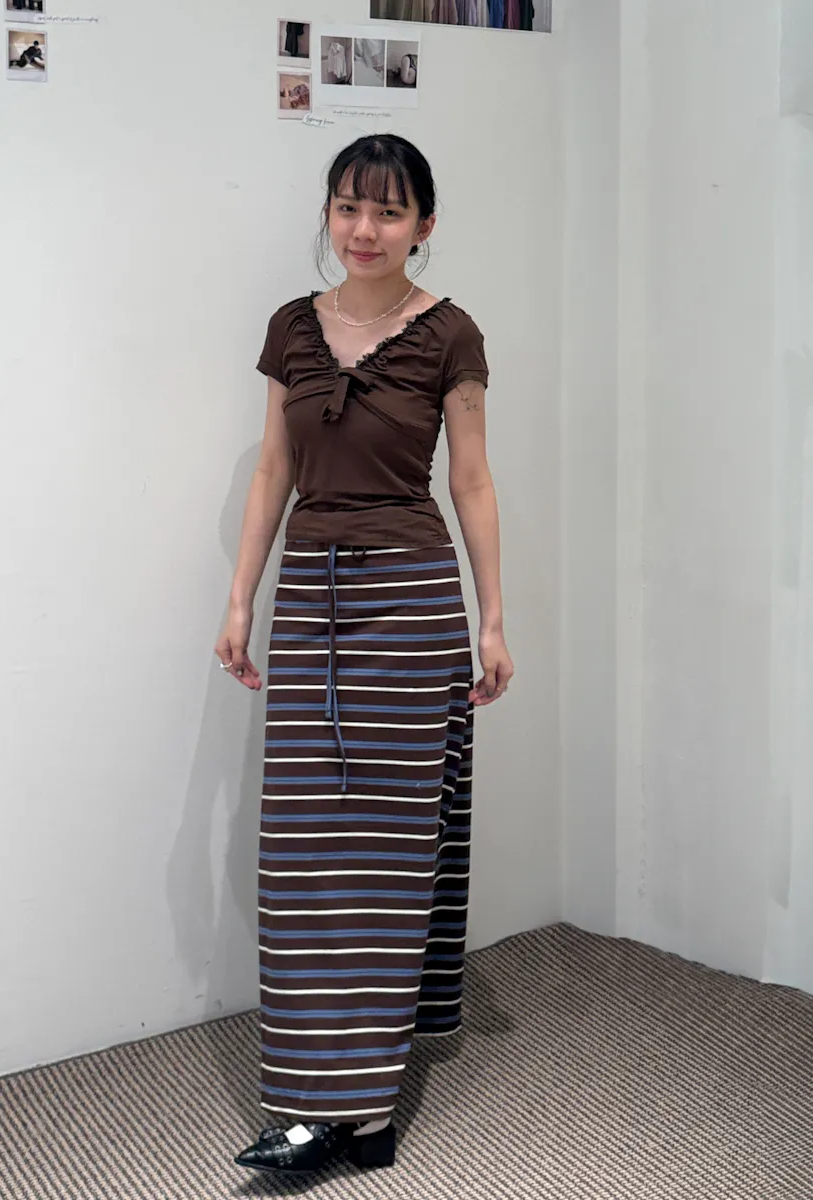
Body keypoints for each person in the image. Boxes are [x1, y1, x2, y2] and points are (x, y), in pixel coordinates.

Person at [218, 134, 515, 1176]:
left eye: (389, 212)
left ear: (423, 225)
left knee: (387, 858)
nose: (365, 229)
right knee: (303, 858)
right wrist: (240, 599)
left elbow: (471, 480)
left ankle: (364, 1106)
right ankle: (321, 1102)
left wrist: (492, 618)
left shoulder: (451, 334)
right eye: (349, 206)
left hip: (410, 606)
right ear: (329, 213)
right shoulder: (292, 329)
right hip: (311, 604)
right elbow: (274, 470)